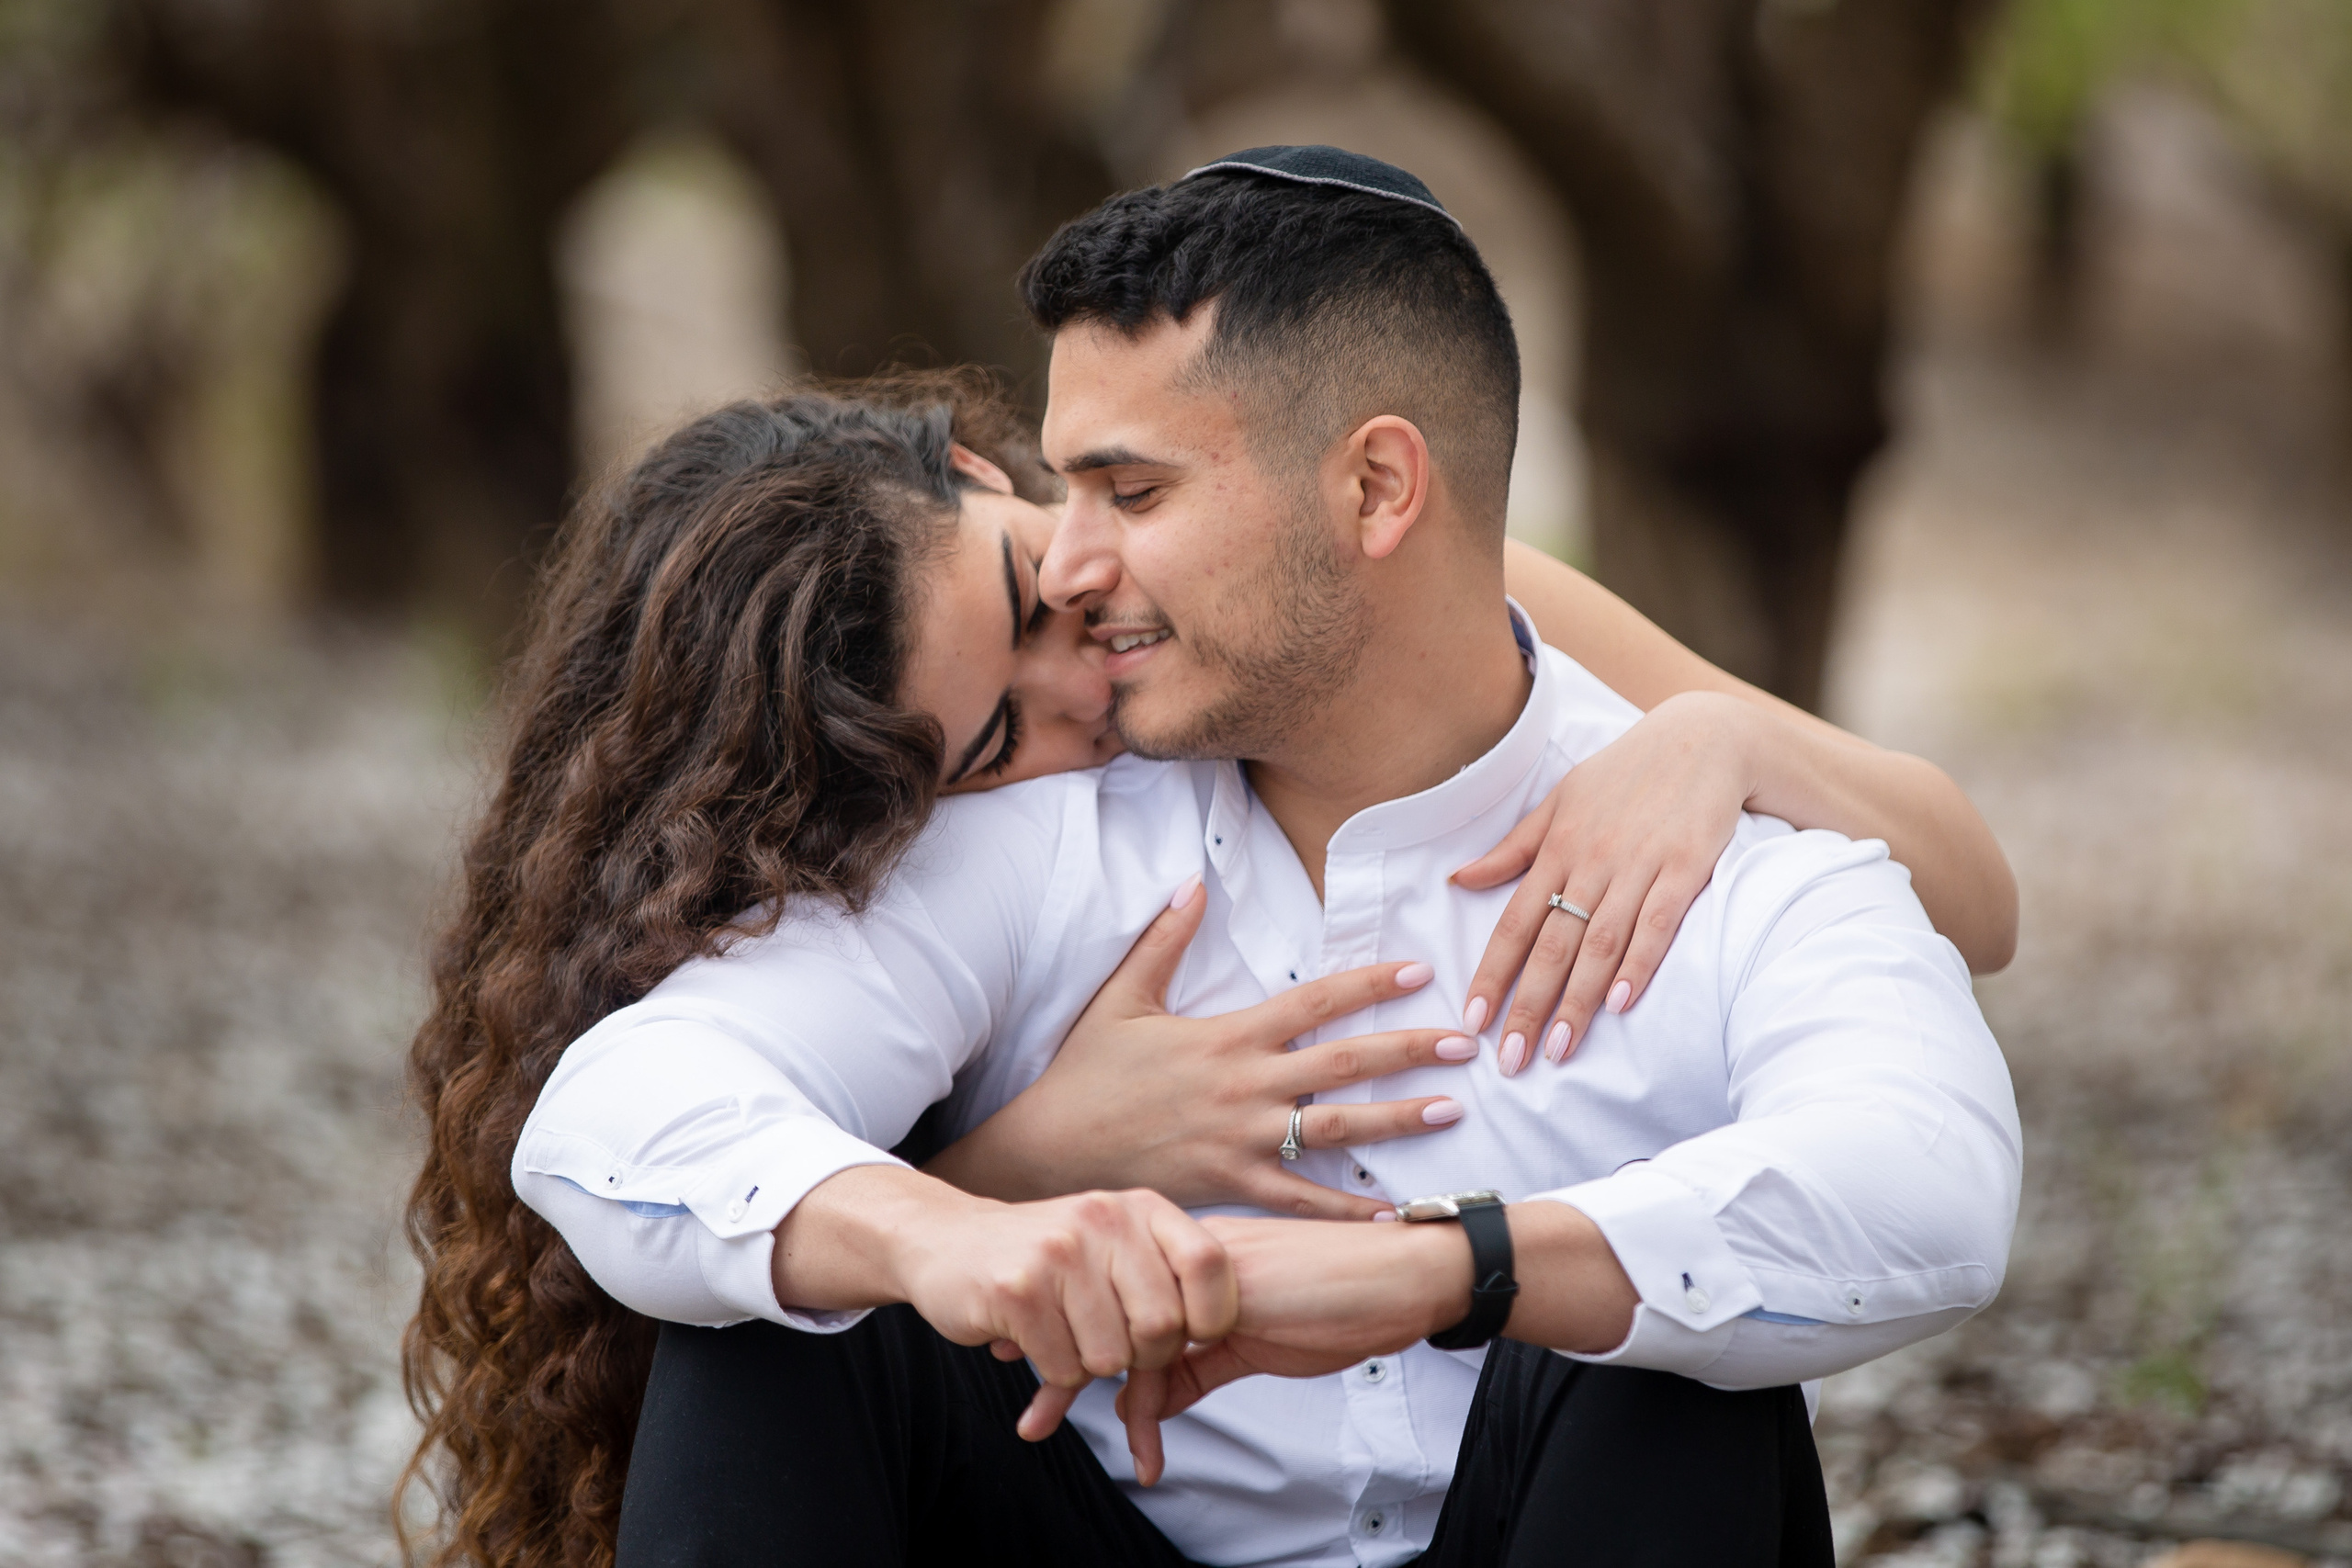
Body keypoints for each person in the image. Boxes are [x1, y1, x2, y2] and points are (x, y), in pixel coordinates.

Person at [405, 159, 2018, 1568]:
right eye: (989, 735)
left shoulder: (1694, 812)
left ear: (1379, 491)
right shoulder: (1021, 838)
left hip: (1539, 1512)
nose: (1089, 612)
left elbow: (1932, 1168)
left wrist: (1450, 1272)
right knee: (781, 1331)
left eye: (1125, 499)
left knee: (1673, 1357)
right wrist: (976, 1215)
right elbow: (628, 1104)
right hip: (1083, 1520)